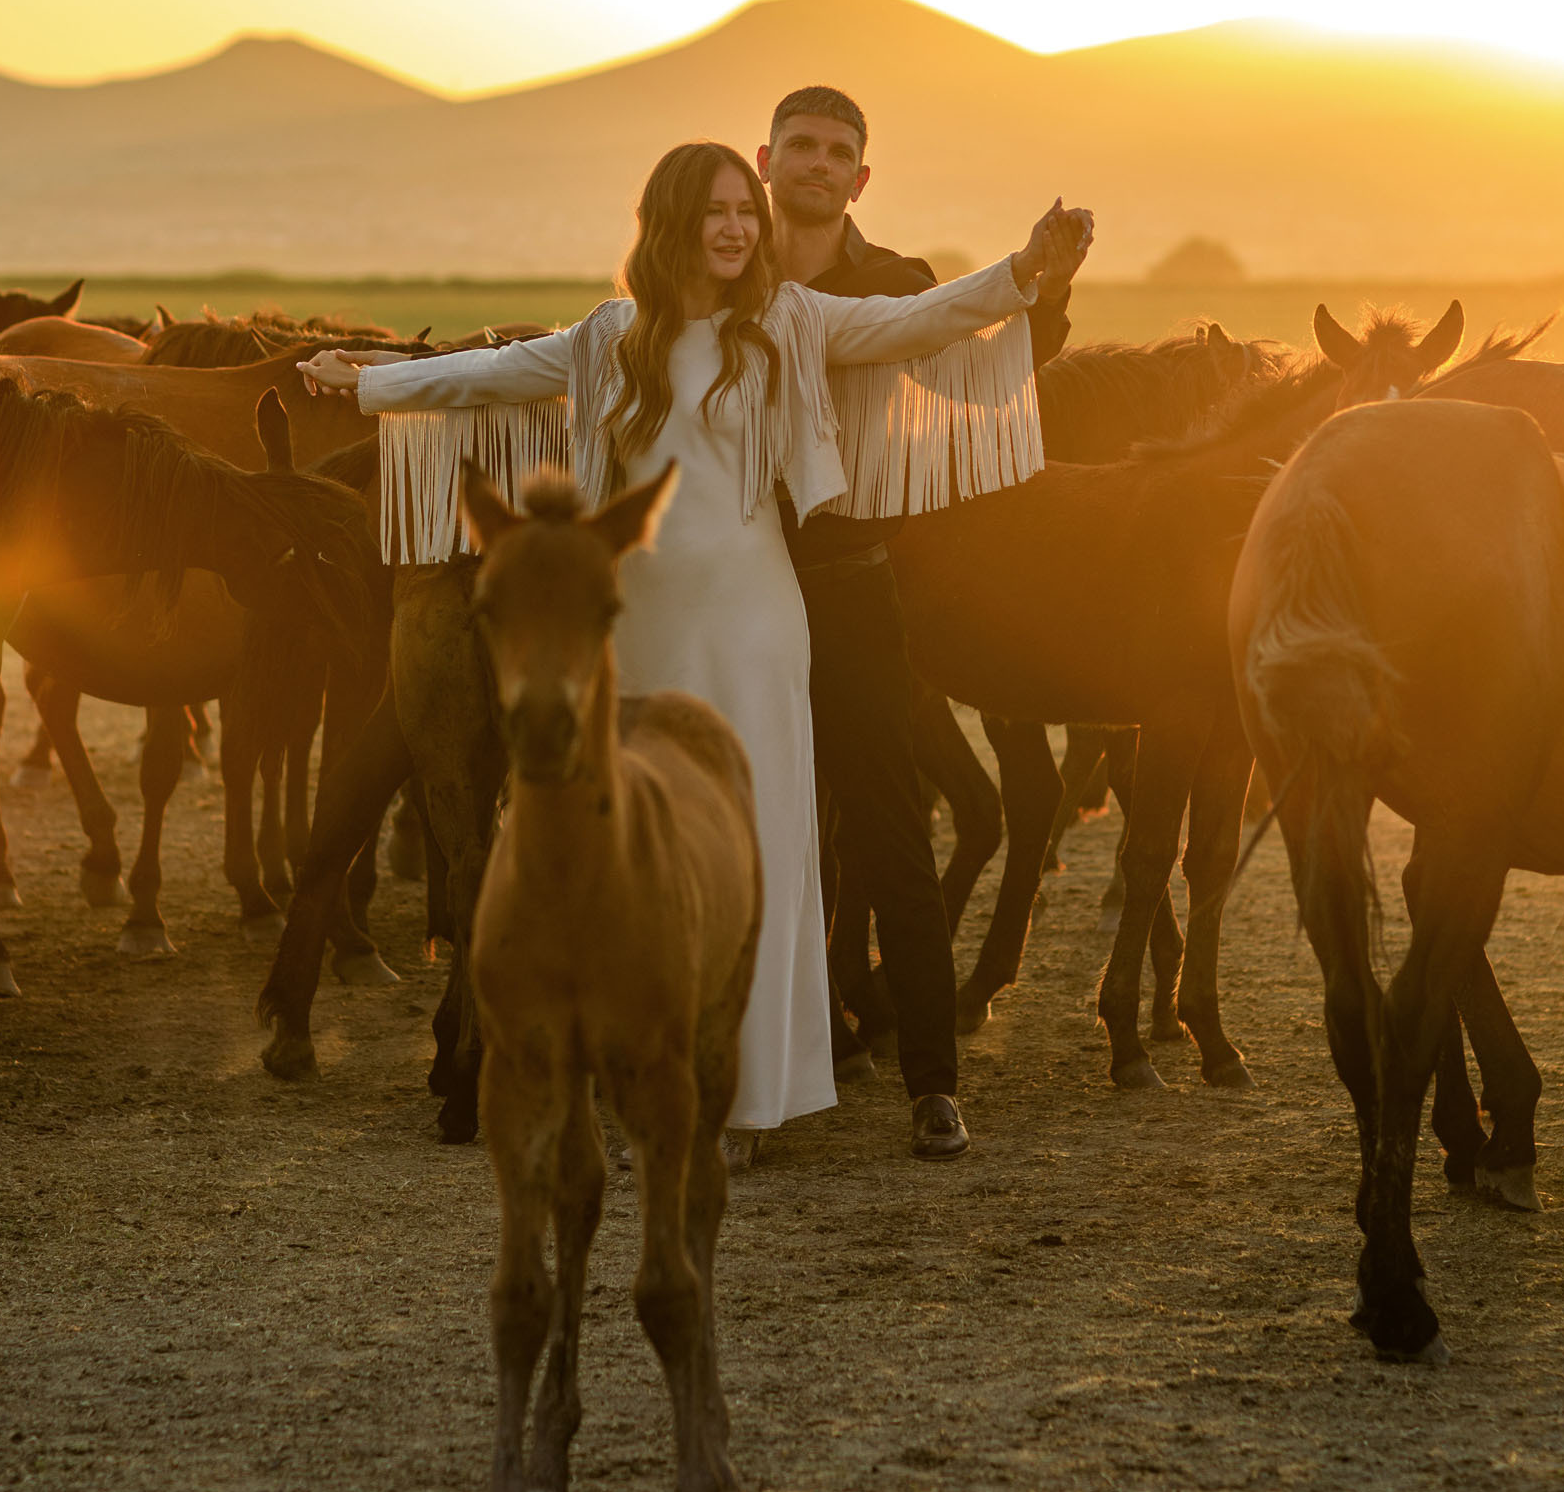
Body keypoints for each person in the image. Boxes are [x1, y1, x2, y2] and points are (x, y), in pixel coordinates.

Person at [299, 143, 1092, 1145]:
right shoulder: (605, 339)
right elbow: (490, 376)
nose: (735, 227)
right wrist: (366, 381)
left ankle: (757, 1083)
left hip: (754, 623)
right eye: (715, 210)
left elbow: (908, 321)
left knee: (759, 847)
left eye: (742, 213)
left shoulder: (790, 323)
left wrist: (1021, 274)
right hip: (637, 628)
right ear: (672, 221)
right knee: (633, 848)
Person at [760, 88, 1088, 1159]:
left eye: (837, 153)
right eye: (799, 145)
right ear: (765, 159)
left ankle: (930, 1083)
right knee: (749, 833)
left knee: (890, 830)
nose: (816, 163)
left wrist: (1042, 299)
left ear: (859, 180)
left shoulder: (891, 287)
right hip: (734, 585)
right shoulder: (714, 274)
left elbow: (988, 383)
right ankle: (746, 1067)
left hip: (856, 582)